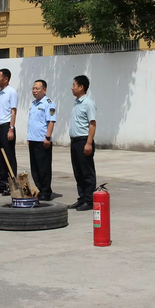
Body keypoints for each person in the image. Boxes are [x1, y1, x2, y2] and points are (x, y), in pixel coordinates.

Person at [68, 75, 97, 211]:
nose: (72, 87)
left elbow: (92, 124)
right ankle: (82, 198)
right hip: (75, 141)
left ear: (81, 87)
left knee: (86, 171)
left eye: (74, 85)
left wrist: (89, 143)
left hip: (83, 141)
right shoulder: (76, 102)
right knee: (78, 171)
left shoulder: (88, 103)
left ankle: (89, 200)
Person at [27, 79, 57, 201]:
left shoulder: (48, 103)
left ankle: (46, 190)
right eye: (33, 88)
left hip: (42, 140)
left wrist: (47, 137)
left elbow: (51, 121)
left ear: (44, 90)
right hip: (33, 139)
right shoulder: (34, 104)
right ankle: (39, 188)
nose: (35, 91)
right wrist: (29, 137)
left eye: (37, 88)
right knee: (35, 167)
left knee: (43, 167)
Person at [0, 68, 18, 195]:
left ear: (6, 79)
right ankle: (2, 183)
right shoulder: (0, 93)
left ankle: (12, 183)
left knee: (9, 156)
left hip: (7, 127)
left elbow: (13, 111)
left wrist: (11, 129)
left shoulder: (11, 92)